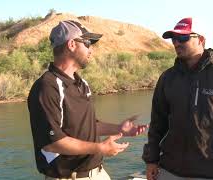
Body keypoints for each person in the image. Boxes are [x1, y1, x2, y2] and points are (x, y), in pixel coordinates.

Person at [27, 20, 148, 180]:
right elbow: (53, 143)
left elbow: (89, 126)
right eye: (87, 43)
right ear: (71, 44)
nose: (91, 50)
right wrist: (100, 148)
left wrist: (120, 129)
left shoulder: (81, 84)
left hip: (97, 173)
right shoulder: (47, 87)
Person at [142, 17, 213, 180]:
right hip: (168, 169)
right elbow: (157, 123)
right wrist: (151, 160)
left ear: (201, 39)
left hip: (212, 172)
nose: (176, 43)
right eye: (174, 39)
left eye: (183, 38)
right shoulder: (167, 78)